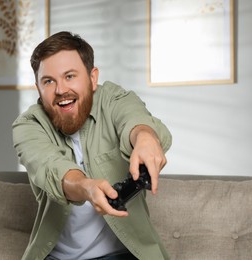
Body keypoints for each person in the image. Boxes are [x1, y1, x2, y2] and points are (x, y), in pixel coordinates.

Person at [12, 31, 172, 260]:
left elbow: (133, 117)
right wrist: (86, 186)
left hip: (122, 254)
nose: (60, 90)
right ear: (38, 88)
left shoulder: (113, 98)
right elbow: (50, 167)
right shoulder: (27, 126)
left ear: (92, 78)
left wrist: (145, 137)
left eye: (70, 76)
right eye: (48, 81)